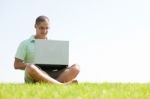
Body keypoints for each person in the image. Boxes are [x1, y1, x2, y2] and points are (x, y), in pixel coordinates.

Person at [14, 15, 80, 85]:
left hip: (50, 73)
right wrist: (35, 65)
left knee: (76, 67)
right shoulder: (25, 44)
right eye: (41, 28)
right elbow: (17, 64)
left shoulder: (53, 45)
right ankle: (60, 85)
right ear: (35, 26)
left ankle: (51, 84)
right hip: (34, 74)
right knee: (30, 67)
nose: (44, 31)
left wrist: (61, 65)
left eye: (47, 28)